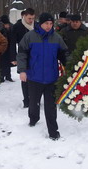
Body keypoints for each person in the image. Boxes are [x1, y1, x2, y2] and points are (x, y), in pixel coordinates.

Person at [17, 12, 68, 140]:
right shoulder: (30, 36)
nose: (48, 26)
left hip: (52, 78)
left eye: (51, 24)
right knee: (34, 103)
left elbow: (64, 54)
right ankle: (33, 119)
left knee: (51, 107)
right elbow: (22, 53)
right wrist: (22, 70)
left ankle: (53, 130)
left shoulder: (56, 38)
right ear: (40, 23)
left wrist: (71, 67)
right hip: (34, 77)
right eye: (46, 23)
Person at [10, 8, 36, 108]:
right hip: (22, 56)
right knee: (24, 78)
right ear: (23, 16)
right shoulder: (17, 26)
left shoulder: (36, 25)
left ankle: (34, 98)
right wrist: (13, 57)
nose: (31, 20)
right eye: (29, 18)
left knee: (35, 79)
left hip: (35, 56)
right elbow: (12, 42)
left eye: (33, 18)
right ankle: (26, 100)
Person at [0, 15, 14, 82]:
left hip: (9, 46)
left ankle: (8, 76)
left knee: (7, 62)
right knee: (2, 63)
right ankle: (2, 76)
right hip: (2, 46)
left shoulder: (11, 27)